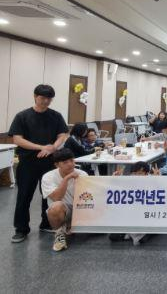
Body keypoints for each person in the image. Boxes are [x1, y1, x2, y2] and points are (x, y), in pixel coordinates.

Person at [9, 84, 69, 243]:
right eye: (43, 98)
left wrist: (53, 147)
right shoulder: (22, 116)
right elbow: (17, 139)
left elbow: (62, 135)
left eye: (49, 99)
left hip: (50, 162)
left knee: (48, 195)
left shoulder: (56, 116)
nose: (46, 101)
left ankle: (46, 223)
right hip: (28, 162)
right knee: (24, 196)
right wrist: (41, 147)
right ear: (35, 96)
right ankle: (21, 229)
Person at [41, 148, 87, 252]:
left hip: (81, 209)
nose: (70, 164)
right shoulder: (48, 177)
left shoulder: (82, 174)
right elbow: (57, 198)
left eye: (71, 160)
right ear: (57, 165)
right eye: (65, 162)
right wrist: (67, 178)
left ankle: (72, 225)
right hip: (64, 210)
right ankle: (59, 233)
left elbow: (91, 196)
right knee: (55, 207)